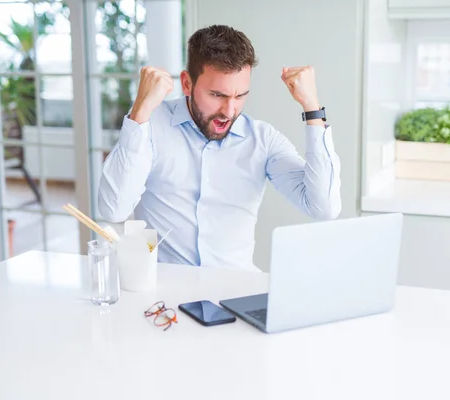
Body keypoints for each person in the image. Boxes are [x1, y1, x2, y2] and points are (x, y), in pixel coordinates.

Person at [98, 25, 341, 271]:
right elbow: (113, 209)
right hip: (166, 296)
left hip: (235, 293)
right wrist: (140, 110)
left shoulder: (263, 140)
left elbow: (324, 207)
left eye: (240, 96)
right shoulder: (149, 124)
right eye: (217, 95)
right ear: (187, 83)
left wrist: (312, 108)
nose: (229, 110)